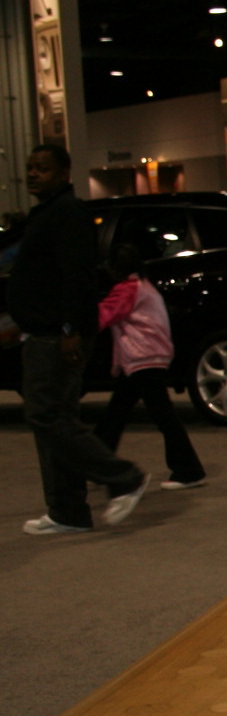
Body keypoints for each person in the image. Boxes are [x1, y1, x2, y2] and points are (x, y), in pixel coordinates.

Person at [12, 143, 149, 535]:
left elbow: (77, 277)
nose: (33, 174)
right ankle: (67, 511)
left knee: (47, 416)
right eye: (30, 167)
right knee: (54, 420)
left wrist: (70, 330)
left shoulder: (67, 213)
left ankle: (123, 478)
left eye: (42, 168)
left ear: (63, 173)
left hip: (55, 335)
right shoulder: (47, 213)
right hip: (43, 332)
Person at [94, 241, 206, 491]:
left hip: (141, 359)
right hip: (146, 358)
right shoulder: (145, 287)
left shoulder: (127, 290)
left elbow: (104, 316)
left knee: (156, 416)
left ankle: (188, 470)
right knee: (117, 415)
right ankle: (98, 465)